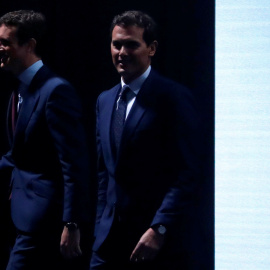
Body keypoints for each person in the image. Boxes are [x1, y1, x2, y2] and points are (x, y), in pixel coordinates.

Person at [89, 10, 204, 270]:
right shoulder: (105, 100)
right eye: (116, 44)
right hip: (106, 243)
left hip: (152, 242)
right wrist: (98, 227)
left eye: (132, 44)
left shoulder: (173, 97)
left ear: (151, 48)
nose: (122, 52)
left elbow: (188, 172)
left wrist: (160, 228)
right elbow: (104, 173)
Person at [0, 10, 92, 270]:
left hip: (42, 221)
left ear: (29, 45)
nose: (0, 48)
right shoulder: (19, 87)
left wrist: (72, 223)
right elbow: (16, 155)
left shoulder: (56, 91)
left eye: (6, 42)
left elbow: (74, 164)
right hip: (19, 216)